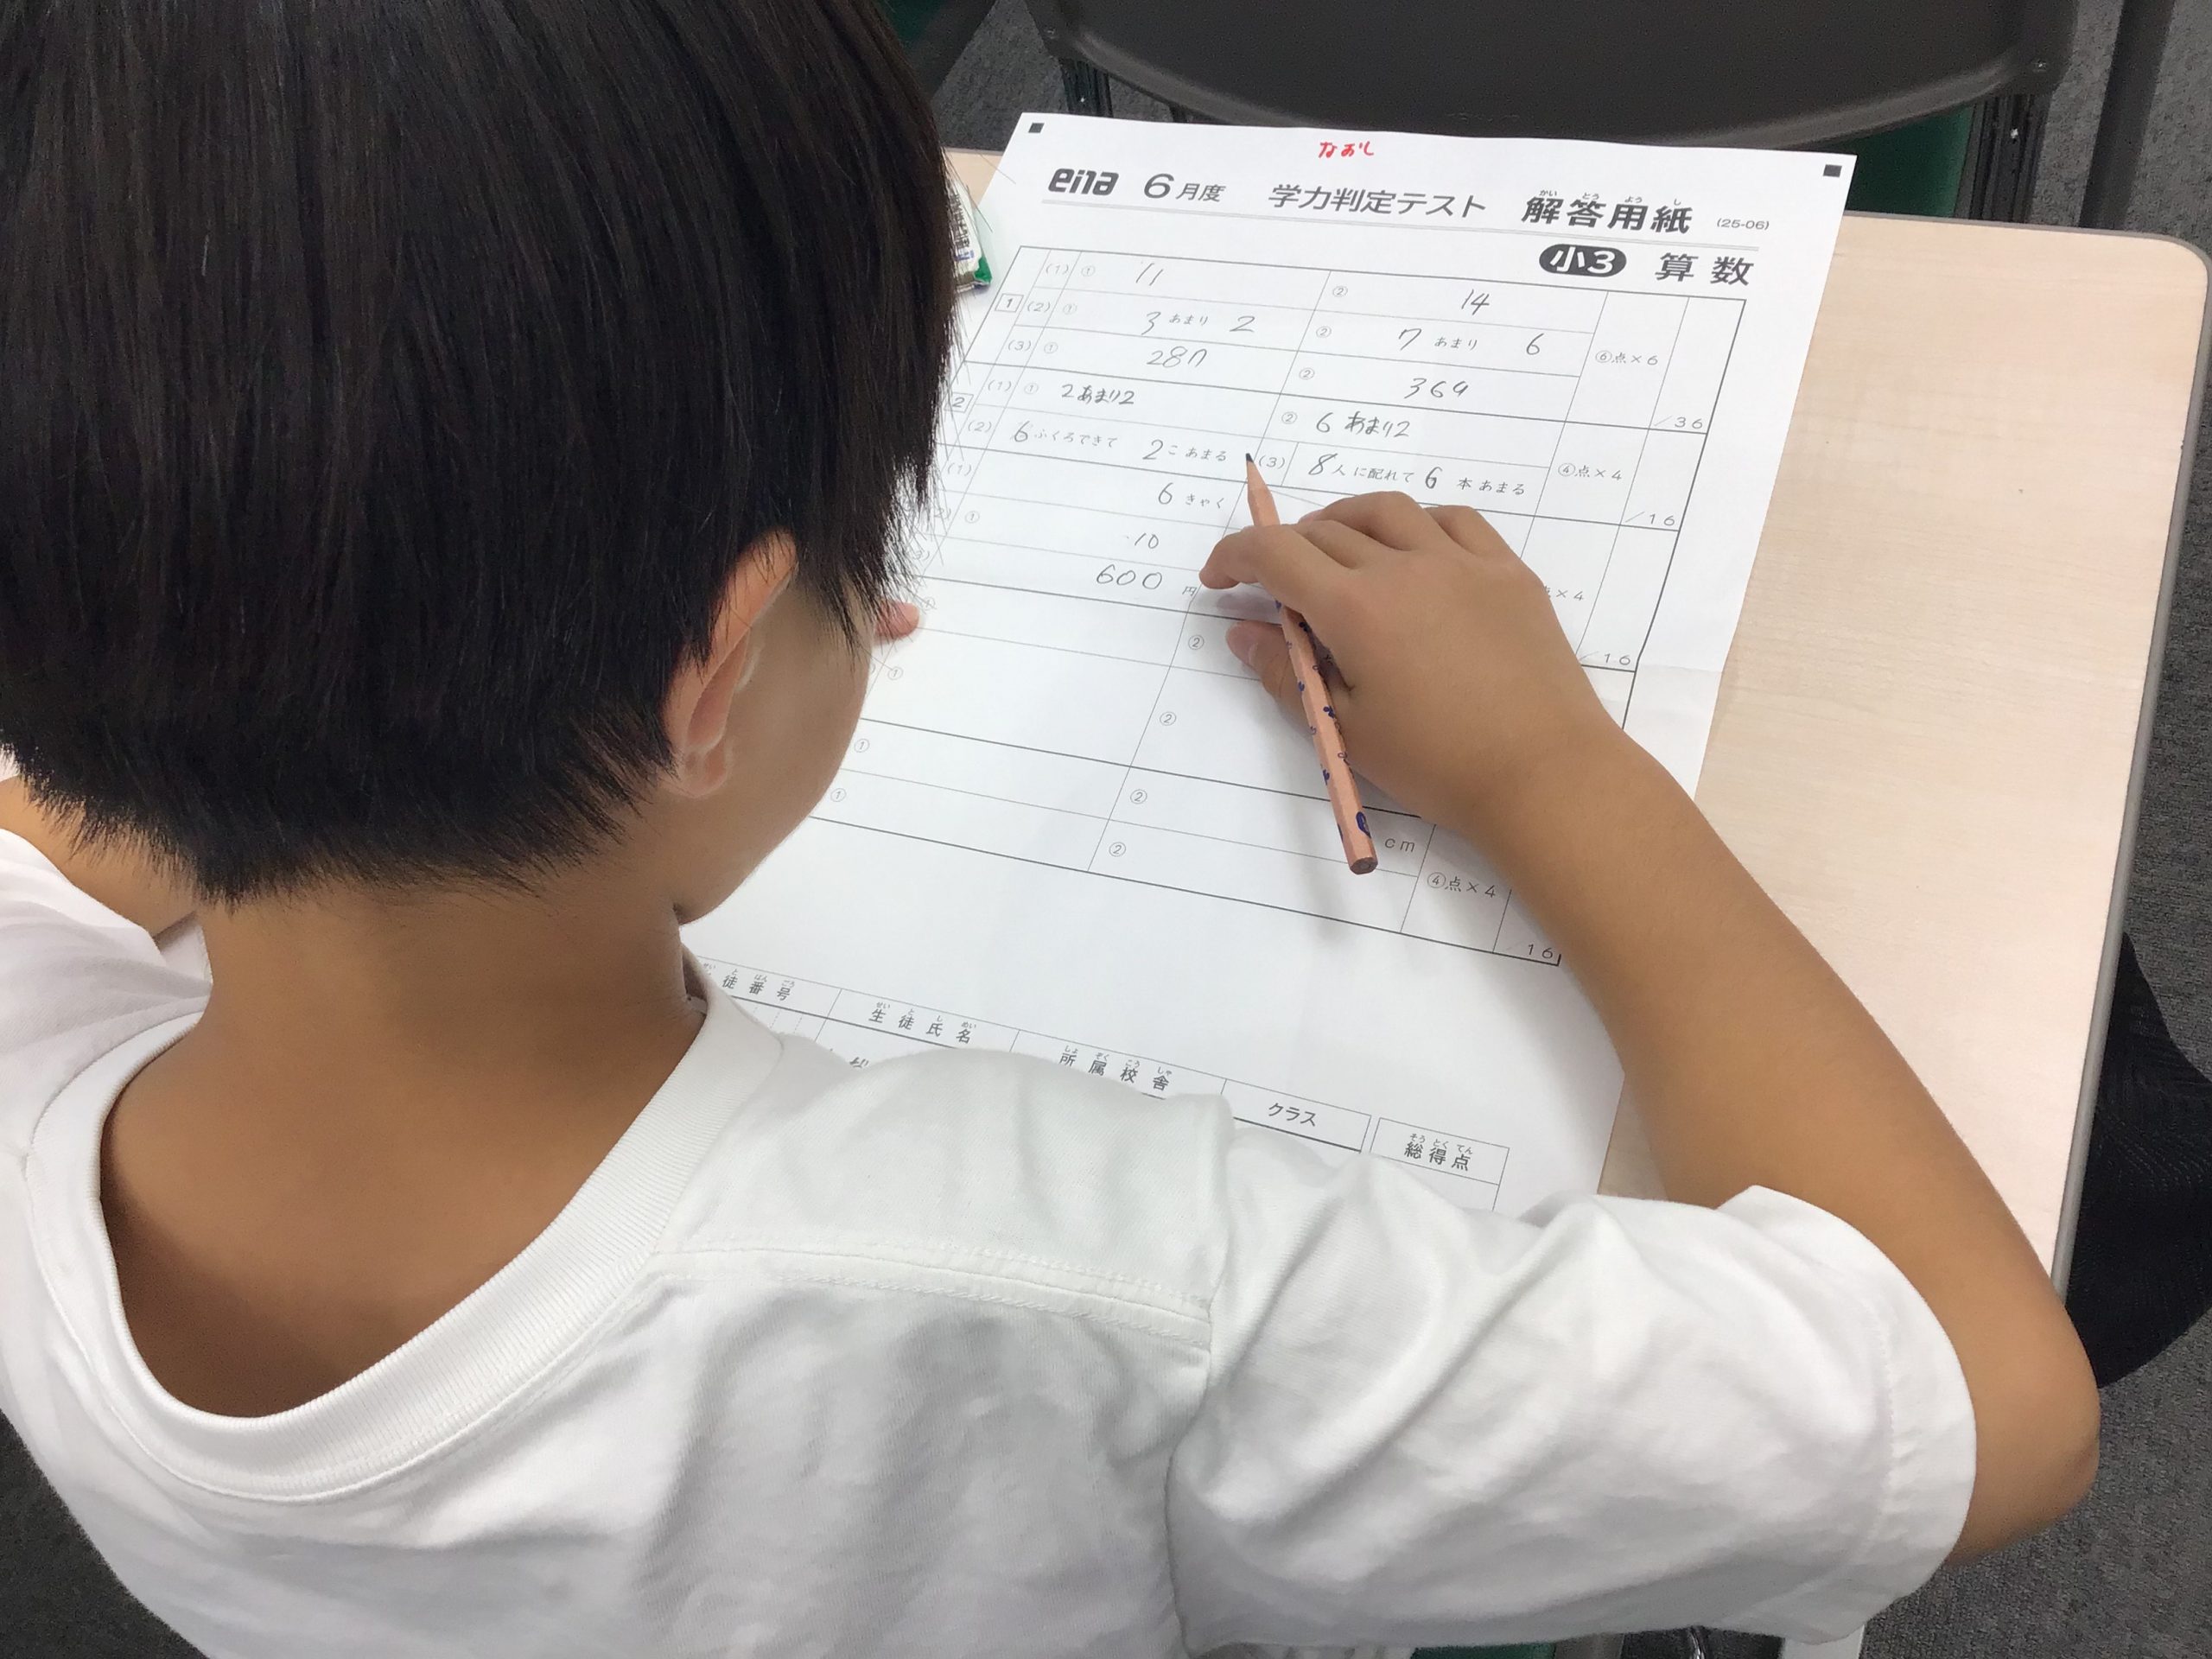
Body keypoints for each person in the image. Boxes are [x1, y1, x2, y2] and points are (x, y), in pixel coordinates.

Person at [0, 2, 2096, 1655]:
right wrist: (1550, 761)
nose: (893, 599)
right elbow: (1983, 1400)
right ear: (713, 675)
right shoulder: (1095, 1283)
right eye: (869, 549)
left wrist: (265, 662)